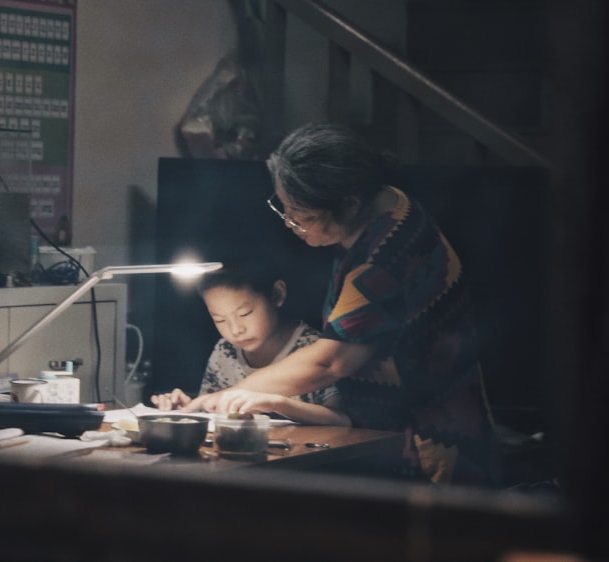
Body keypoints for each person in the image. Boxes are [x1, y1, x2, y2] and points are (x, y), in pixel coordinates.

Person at [184, 122, 499, 486]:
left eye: (303, 216)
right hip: (391, 432)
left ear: (348, 203)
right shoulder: (383, 203)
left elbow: (332, 360)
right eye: (284, 209)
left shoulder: (387, 257)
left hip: (430, 445)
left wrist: (223, 397)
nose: (291, 224)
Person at [151, 262, 349, 426]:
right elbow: (214, 408)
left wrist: (277, 403)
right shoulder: (225, 351)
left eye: (245, 314)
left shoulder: (314, 349)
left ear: (277, 295)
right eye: (219, 319)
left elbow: (342, 420)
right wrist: (189, 411)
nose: (235, 329)